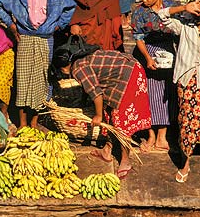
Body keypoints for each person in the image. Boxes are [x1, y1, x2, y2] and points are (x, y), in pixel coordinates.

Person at [0, 0, 76, 129]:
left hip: (46, 39)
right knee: (23, 81)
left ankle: (35, 122)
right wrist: (11, 25)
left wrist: (58, 25)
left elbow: (69, 8)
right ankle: (23, 123)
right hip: (25, 39)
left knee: (42, 81)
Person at [53, 48, 152, 179]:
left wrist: (98, 116)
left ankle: (125, 160)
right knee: (109, 113)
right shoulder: (78, 61)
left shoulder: (78, 69)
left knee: (121, 120)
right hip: (123, 73)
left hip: (130, 73)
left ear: (63, 69)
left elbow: (97, 94)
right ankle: (107, 150)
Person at [131, 0, 178, 153]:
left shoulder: (171, 7)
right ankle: (150, 134)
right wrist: (148, 58)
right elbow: (138, 38)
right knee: (149, 94)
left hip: (167, 51)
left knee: (167, 92)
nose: (143, 1)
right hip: (146, 51)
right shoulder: (140, 12)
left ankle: (162, 136)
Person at [157, 1, 200, 183]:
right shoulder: (185, 26)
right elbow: (162, 15)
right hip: (188, 80)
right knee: (187, 122)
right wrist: (184, 8)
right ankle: (185, 163)